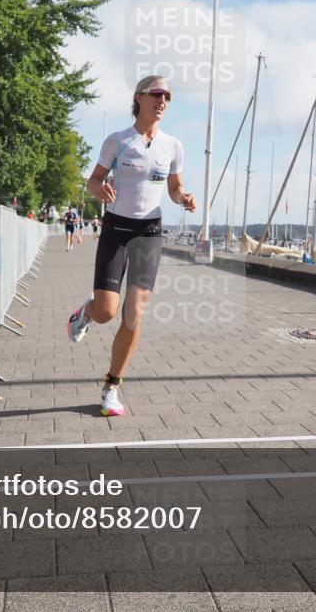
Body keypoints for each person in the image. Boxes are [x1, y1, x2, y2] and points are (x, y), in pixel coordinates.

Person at [66, 75, 195, 416]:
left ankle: (112, 387)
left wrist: (183, 197)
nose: (163, 100)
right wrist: (97, 190)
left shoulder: (173, 146)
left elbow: (174, 187)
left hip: (148, 233)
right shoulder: (118, 141)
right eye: (157, 93)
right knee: (107, 312)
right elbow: (93, 179)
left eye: (167, 95)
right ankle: (84, 313)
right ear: (139, 97)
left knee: (134, 313)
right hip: (116, 230)